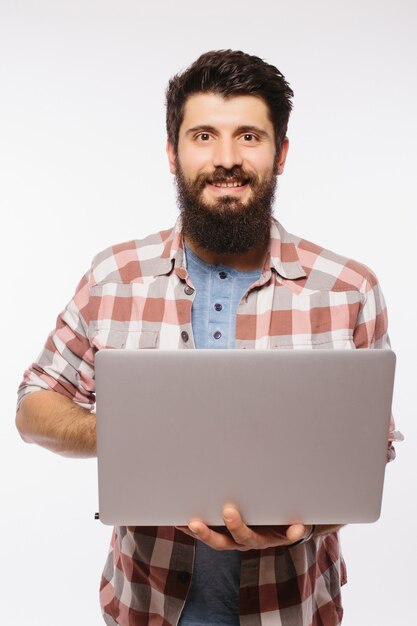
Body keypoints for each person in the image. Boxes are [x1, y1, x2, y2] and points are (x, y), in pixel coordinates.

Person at [16, 50, 396, 626]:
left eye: (249, 136)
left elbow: (370, 451)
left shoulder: (349, 289)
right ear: (172, 153)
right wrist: (129, 434)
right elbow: (33, 404)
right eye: (203, 135)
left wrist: (306, 524)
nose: (226, 159)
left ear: (281, 153)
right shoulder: (113, 277)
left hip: (292, 608)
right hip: (146, 607)